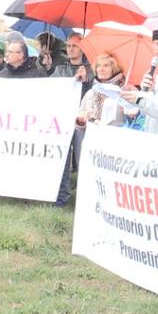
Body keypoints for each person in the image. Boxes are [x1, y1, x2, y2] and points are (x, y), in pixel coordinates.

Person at [50, 32, 95, 207]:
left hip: (82, 122)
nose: (69, 49)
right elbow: (51, 88)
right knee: (61, 161)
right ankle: (61, 197)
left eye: (74, 46)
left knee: (84, 159)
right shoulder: (60, 69)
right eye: (68, 46)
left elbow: (96, 94)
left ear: (82, 48)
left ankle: (86, 199)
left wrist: (87, 81)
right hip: (62, 118)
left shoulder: (92, 70)